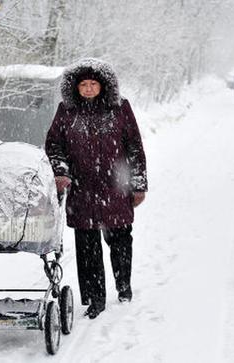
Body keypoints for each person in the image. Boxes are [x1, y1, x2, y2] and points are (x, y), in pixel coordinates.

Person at [45, 58, 148, 319]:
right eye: (84, 84)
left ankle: (123, 285)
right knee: (87, 246)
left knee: (121, 240)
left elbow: (134, 147)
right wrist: (60, 172)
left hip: (116, 187)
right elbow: (54, 145)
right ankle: (94, 298)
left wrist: (138, 184)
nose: (89, 89)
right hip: (82, 189)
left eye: (93, 84)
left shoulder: (120, 108)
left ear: (103, 86)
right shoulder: (66, 111)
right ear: (75, 87)